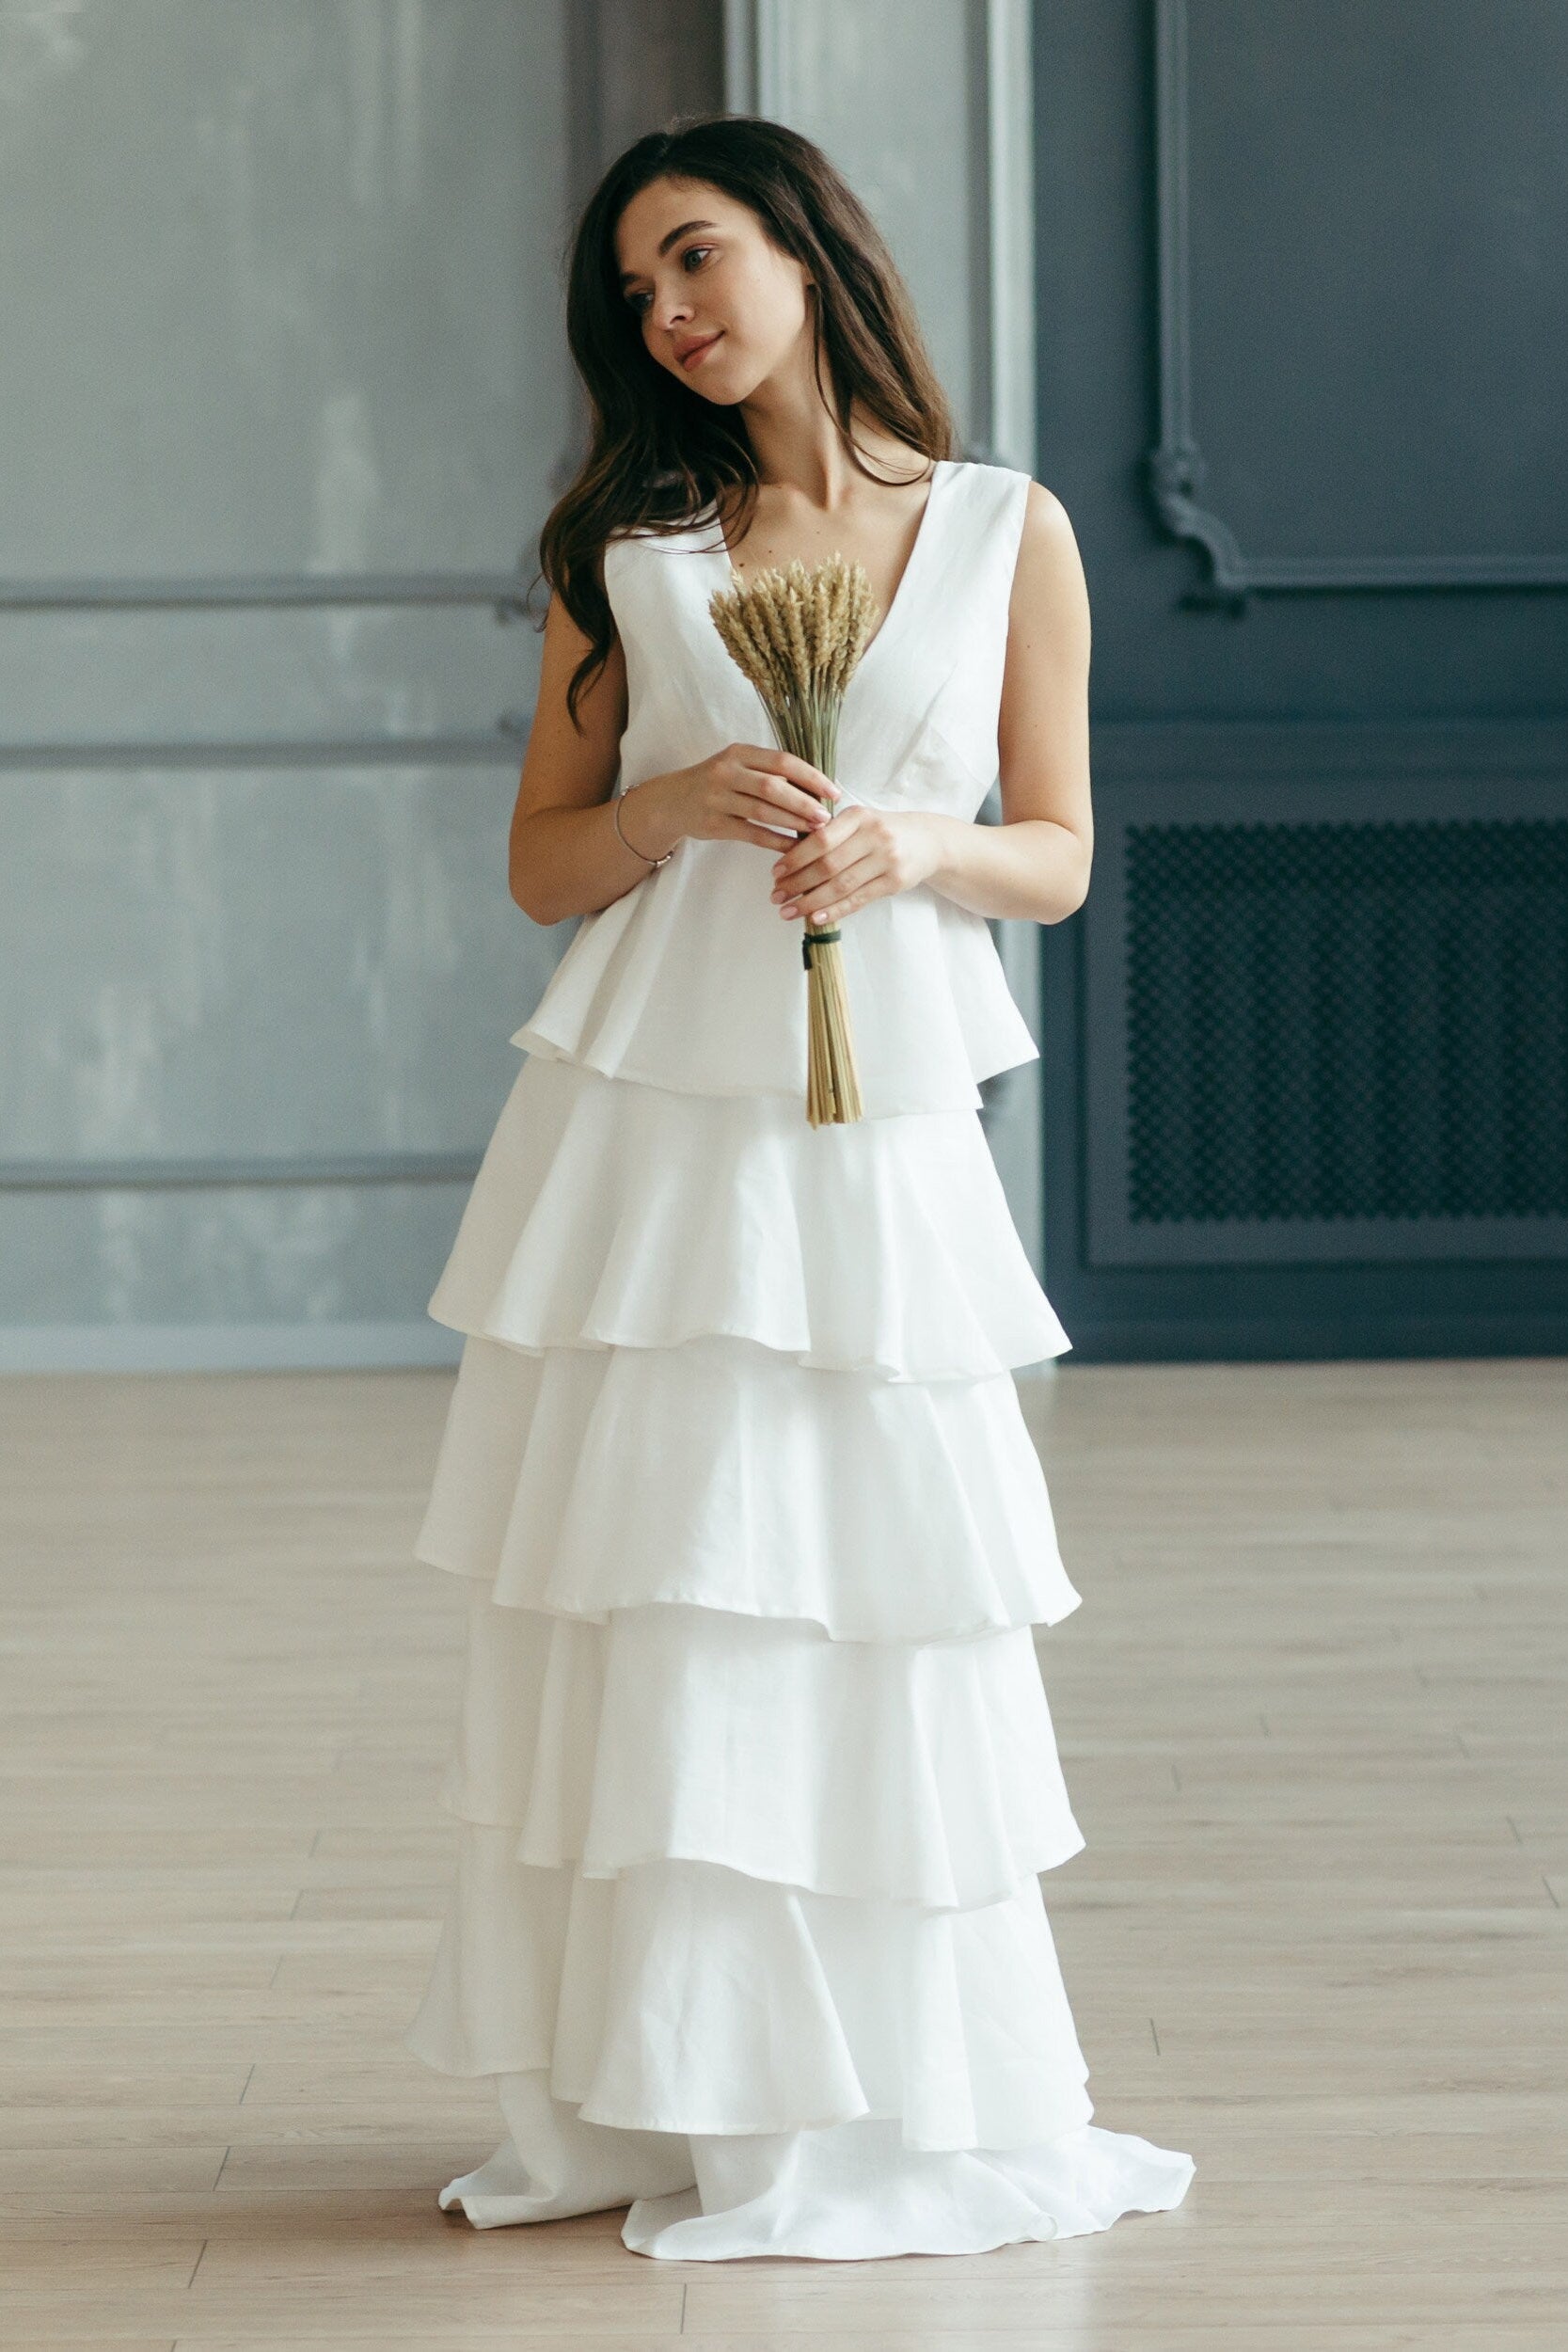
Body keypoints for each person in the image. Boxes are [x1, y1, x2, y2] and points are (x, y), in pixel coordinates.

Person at [402, 111, 1196, 2262]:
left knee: (871, 1571)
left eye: (694, 259)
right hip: (655, 1135)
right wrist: (670, 804)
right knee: (665, 1570)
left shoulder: (1011, 530)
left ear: (808, 243)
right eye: (637, 295)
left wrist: (906, 848)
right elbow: (543, 860)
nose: (668, 315)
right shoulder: (624, 549)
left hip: (878, 1136)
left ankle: (890, 2087)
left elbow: (1057, 847)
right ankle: (671, 2080)